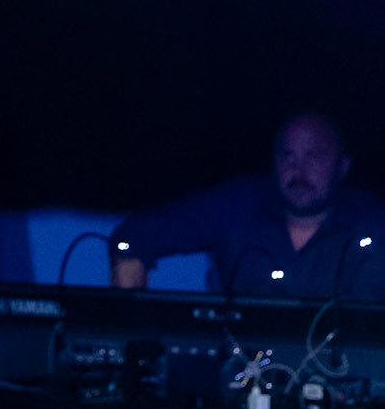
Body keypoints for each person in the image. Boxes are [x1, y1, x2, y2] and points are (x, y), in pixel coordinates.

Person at [109, 112, 385, 300]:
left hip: (343, 379)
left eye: (314, 157)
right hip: (239, 377)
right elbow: (131, 238)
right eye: (287, 155)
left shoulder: (373, 222)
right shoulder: (237, 206)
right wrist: (128, 340)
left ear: (342, 166)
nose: (298, 169)